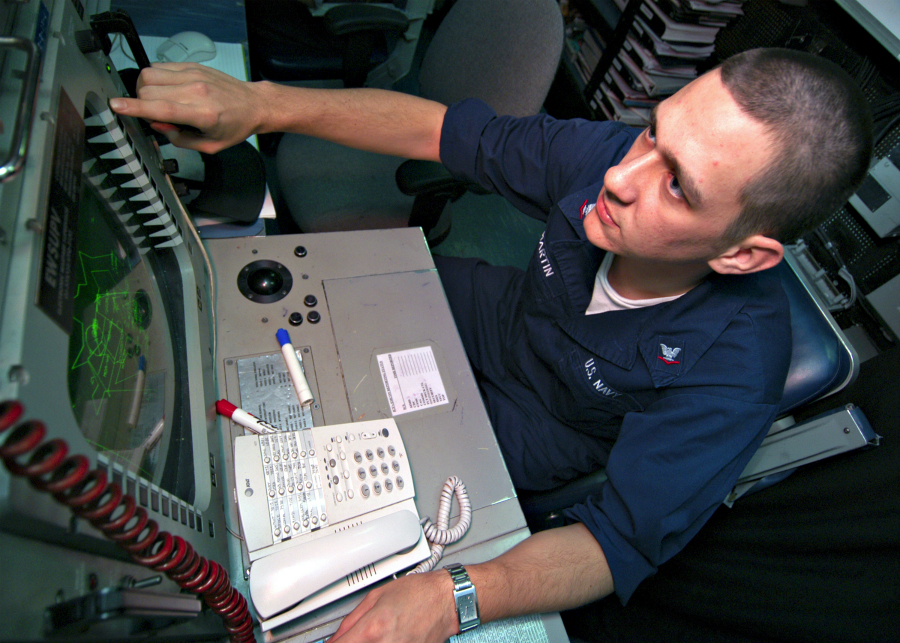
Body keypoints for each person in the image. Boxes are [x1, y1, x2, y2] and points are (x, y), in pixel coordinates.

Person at [110, 47, 873, 642]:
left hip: (538, 425)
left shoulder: (738, 367)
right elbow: (437, 130)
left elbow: (615, 544)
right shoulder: (609, 158)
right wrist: (261, 105)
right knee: (288, 322)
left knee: (352, 501)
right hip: (493, 311)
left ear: (743, 254)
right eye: (653, 131)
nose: (621, 177)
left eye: (678, 185)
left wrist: (452, 597)